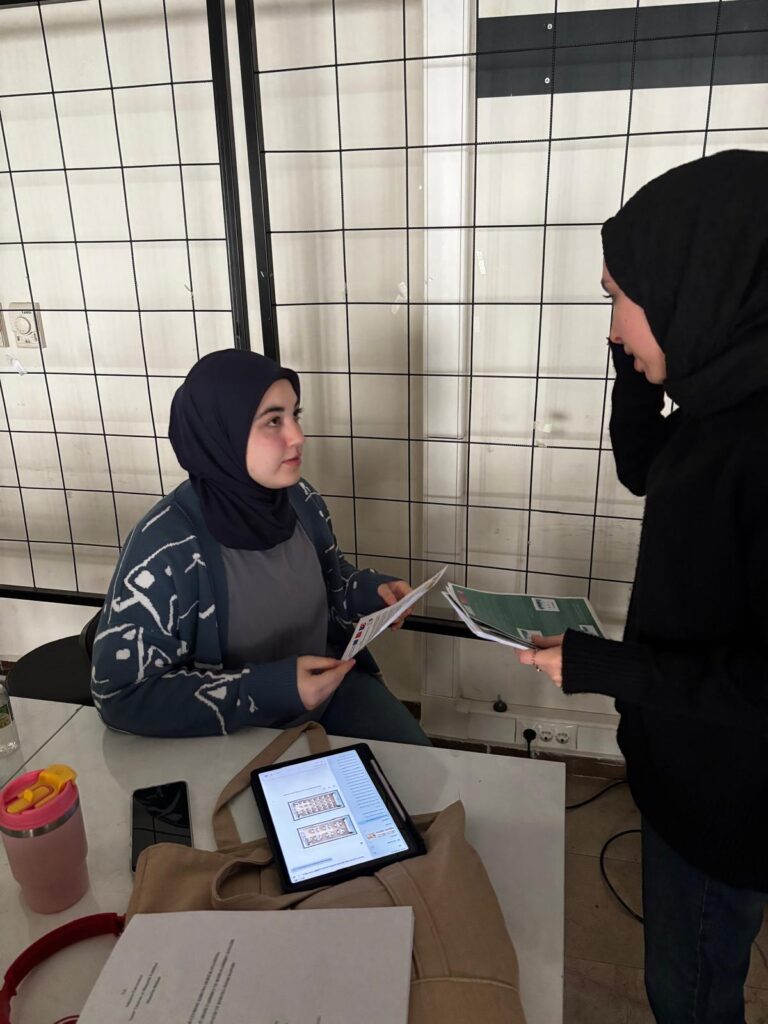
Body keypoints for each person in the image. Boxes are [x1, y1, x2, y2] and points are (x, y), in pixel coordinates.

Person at [516, 150, 768, 1022]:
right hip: (685, 761)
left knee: (689, 992)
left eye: (621, 299)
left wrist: (605, 667)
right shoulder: (723, 397)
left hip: (727, 799)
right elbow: (648, 467)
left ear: (701, 287)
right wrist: (635, 369)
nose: (615, 326)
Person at [91, 349, 430, 745]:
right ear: (221, 434)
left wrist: (370, 592)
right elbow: (121, 697)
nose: (297, 436)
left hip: (331, 690)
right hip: (228, 729)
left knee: (423, 771)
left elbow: (330, 578)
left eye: (295, 415)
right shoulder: (164, 547)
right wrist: (270, 688)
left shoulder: (300, 499)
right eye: (273, 420)